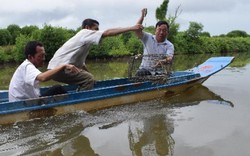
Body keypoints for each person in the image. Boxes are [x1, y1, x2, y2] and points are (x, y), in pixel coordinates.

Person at [47, 18, 144, 91]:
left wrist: (92, 76)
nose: (97, 32)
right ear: (87, 28)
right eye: (95, 29)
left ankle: (80, 93)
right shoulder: (84, 33)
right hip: (59, 69)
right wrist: (131, 28)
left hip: (54, 69)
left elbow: (81, 65)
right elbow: (108, 32)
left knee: (89, 78)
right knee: (88, 79)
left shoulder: (84, 41)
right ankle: (82, 103)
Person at [8, 41, 79, 102]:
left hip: (27, 102)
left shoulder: (26, 66)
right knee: (58, 89)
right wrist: (63, 66)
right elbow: (43, 78)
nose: (44, 59)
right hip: (22, 105)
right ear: (30, 57)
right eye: (40, 56)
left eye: (44, 55)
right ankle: (73, 107)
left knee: (56, 89)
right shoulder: (27, 66)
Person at [135, 8, 174, 76]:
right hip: (145, 70)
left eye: (164, 30)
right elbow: (137, 29)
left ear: (167, 32)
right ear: (155, 30)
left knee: (167, 76)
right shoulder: (148, 37)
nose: (161, 32)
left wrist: (163, 61)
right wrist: (142, 16)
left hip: (160, 72)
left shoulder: (169, 45)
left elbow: (169, 58)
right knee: (140, 73)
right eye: (159, 30)